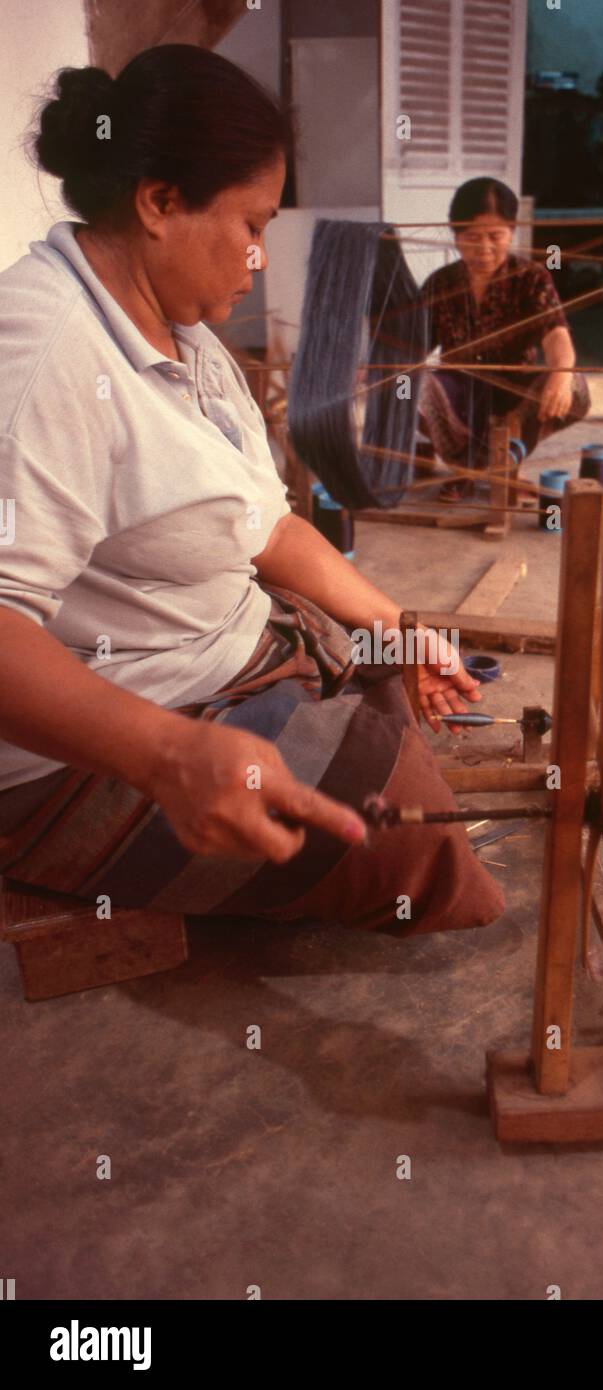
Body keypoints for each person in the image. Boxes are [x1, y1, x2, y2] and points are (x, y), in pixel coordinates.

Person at [0, 46, 503, 937]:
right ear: (159, 202)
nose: (259, 258)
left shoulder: (183, 336)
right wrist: (170, 757)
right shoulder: (42, 354)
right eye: (250, 224)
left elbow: (265, 528)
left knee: (388, 690)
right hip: (94, 743)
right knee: (426, 860)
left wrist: (398, 626)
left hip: (226, 657)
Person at [418, 178, 590, 500]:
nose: (484, 248)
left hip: (515, 394)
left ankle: (508, 460)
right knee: (409, 388)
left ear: (512, 232)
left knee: (576, 385)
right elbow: (412, 345)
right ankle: (465, 467)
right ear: (455, 237)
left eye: (495, 236)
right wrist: (373, 369)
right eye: (472, 237)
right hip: (460, 392)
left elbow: (555, 333)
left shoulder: (531, 277)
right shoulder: (439, 284)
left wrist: (561, 371)